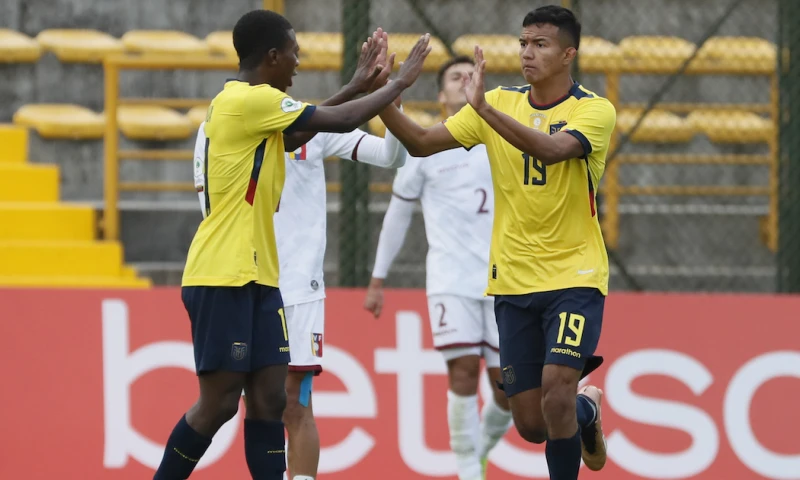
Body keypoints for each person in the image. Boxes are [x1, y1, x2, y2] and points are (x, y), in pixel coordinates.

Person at [153, 8, 431, 480]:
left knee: (270, 400)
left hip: (265, 279)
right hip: (224, 273)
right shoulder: (245, 102)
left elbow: (310, 128)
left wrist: (365, 86)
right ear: (272, 56)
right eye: (295, 54)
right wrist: (397, 83)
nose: (299, 64)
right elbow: (335, 119)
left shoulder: (262, 112)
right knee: (219, 405)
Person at [376, 6, 616, 480]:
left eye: (541, 44)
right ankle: (587, 412)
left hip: (576, 275)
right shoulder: (501, 101)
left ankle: (573, 406)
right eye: (524, 43)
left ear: (569, 53)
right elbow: (422, 142)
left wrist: (483, 110)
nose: (528, 52)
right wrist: (385, 92)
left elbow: (552, 150)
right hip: (512, 280)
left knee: (556, 390)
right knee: (531, 422)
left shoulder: (593, 109)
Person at [363, 56, 512, 480]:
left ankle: (479, 449)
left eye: (471, 74)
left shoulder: (502, 135)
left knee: (509, 387)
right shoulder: (424, 146)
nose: (464, 79)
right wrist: (377, 278)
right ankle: (468, 468)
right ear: (441, 95)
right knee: (463, 372)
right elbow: (398, 214)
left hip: (506, 280)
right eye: (454, 76)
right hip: (451, 279)